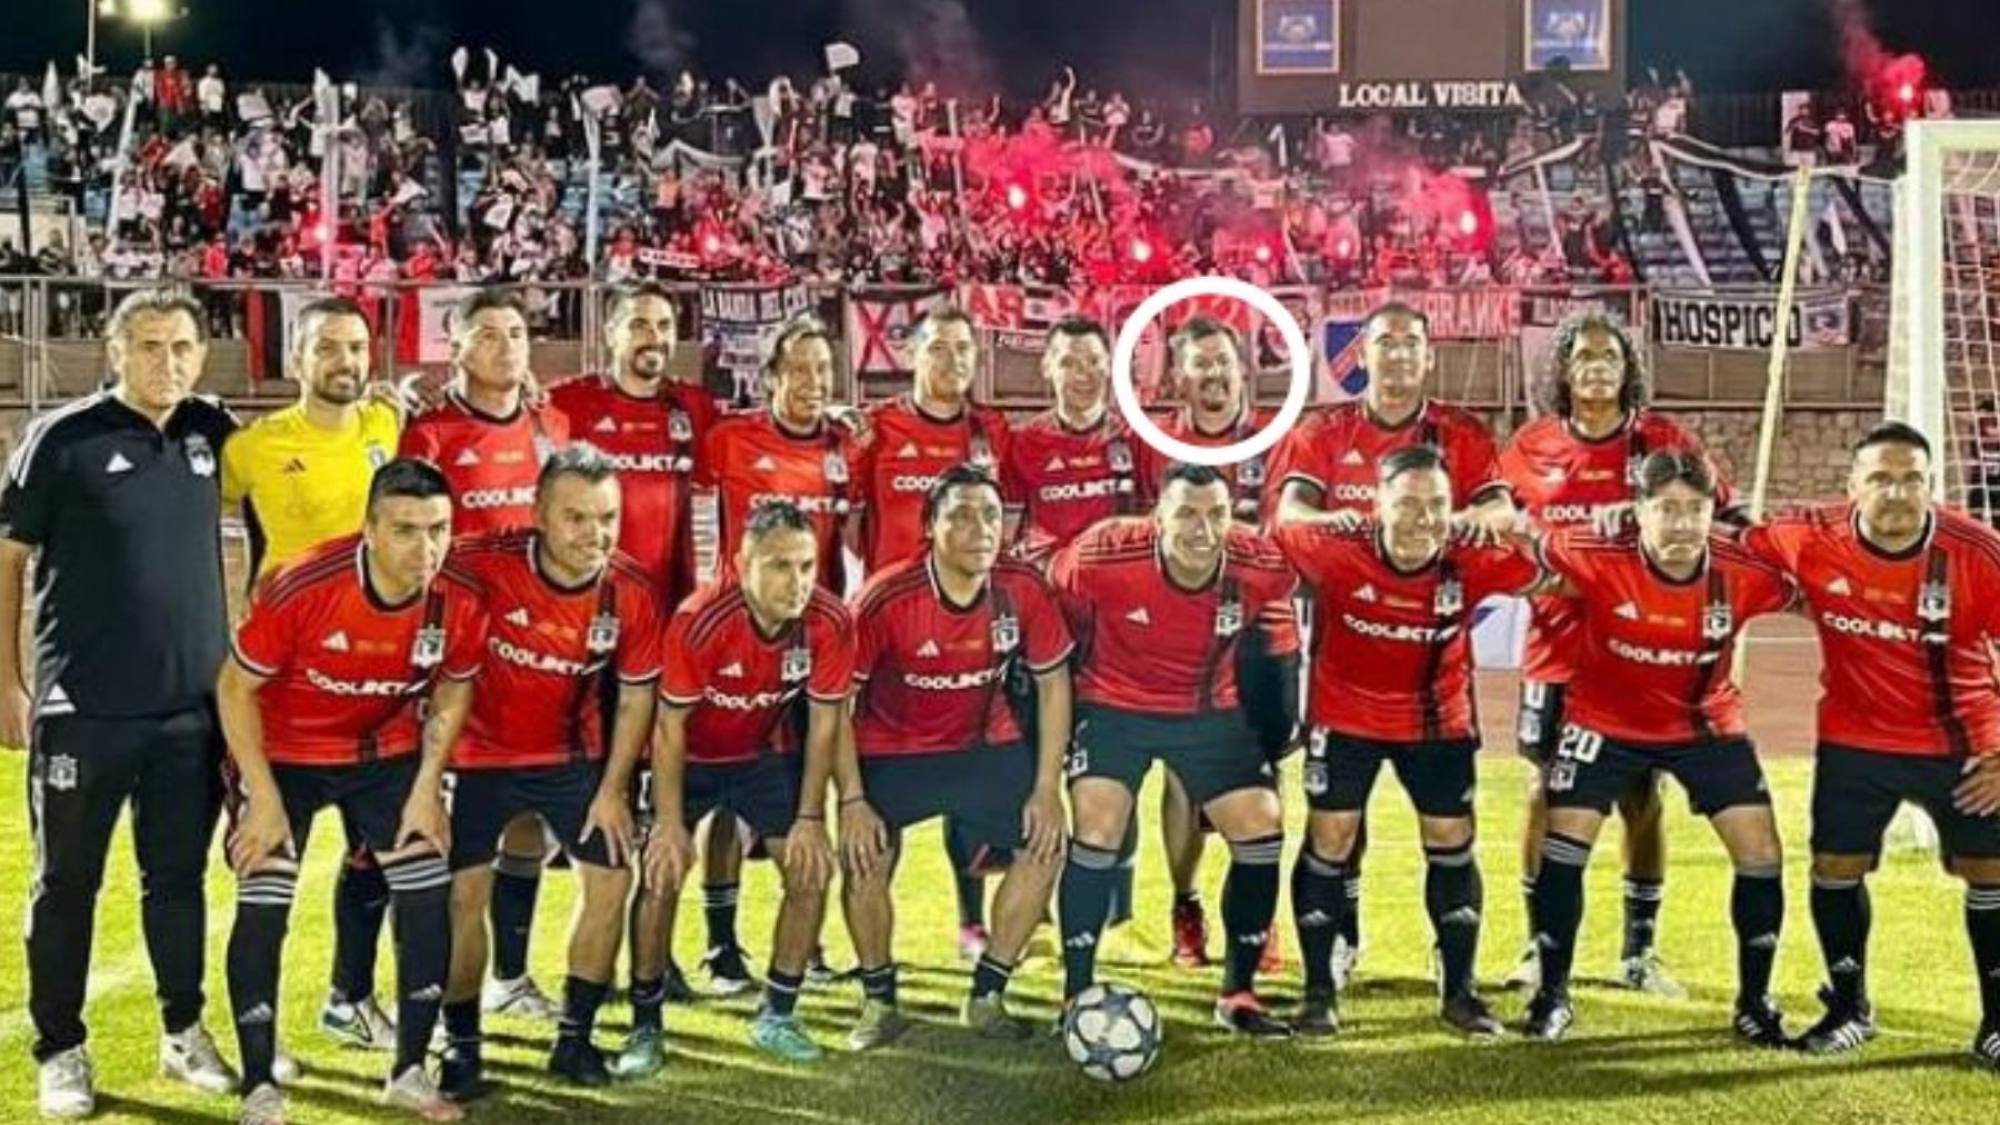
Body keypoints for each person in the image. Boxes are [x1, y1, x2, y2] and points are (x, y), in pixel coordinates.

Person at [2, 288, 239, 1118]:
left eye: (181, 346)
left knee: (177, 877)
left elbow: (305, 453)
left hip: (190, 709)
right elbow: (8, 559)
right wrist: (8, 681)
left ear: (201, 355)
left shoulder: (214, 431)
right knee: (67, 882)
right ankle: (60, 1048)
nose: (166, 361)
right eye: (148, 345)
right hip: (84, 706)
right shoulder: (61, 439)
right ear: (114, 351)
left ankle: (183, 1030)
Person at [219, 459, 481, 1124]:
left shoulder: (458, 598)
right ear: (368, 529)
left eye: (438, 530)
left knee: (426, 888)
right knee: (265, 898)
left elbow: (455, 686)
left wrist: (428, 784)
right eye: (405, 530)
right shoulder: (304, 584)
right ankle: (259, 1083)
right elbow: (235, 687)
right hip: (284, 754)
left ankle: (410, 1071)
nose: (425, 548)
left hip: (382, 754)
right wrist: (261, 796)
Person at [1268, 300, 1517, 989]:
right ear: (1363, 355)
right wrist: (1349, 526)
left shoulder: (1462, 433)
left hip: (1435, 681)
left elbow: (1504, 512)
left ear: (1428, 357)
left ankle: (1454, 966)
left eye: (1412, 343)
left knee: (1448, 829)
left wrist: (1455, 522)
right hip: (1344, 657)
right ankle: (1339, 941)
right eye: (1386, 343)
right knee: (1337, 824)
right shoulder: (1324, 430)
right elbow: (1289, 513)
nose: (1400, 354)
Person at [1738, 422, 2000, 1067]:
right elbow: (1728, 538)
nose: (1898, 492)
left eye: (1913, 479)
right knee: (1835, 867)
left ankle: (1997, 1023)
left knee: (1989, 873)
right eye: (1881, 478)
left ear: (1932, 487)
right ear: (1853, 486)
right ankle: (1849, 1009)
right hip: (1855, 742)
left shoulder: (1980, 553)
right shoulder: (1809, 535)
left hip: (1966, 744)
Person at [1496, 310, 1736, 997]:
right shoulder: (1529, 447)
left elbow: (1720, 514)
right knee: (1546, 792)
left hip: (1643, 651)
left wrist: (1638, 520)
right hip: (1558, 650)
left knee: (1641, 796)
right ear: (1563, 370)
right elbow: (1501, 523)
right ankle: (1540, 944)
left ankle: (1639, 951)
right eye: (1583, 357)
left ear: (1629, 368)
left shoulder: (1662, 441)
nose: (1597, 368)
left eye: (1610, 356)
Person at [1522, 451, 1796, 1044]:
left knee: (1762, 851)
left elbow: (1820, 587)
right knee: (1563, 845)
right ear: (1638, 511)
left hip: (1705, 725)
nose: (1682, 524)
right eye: (1666, 509)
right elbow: (1518, 555)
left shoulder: (1745, 570)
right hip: (1603, 723)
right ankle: (1551, 995)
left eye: (1695, 509)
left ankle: (1755, 1002)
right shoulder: (1594, 552)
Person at [1272, 444, 1540, 1037]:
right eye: (1408, 504)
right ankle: (1319, 993)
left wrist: (1513, 525)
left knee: (1450, 840)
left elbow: (1553, 567)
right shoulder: (1336, 548)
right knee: (1331, 836)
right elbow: (1276, 532)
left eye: (1438, 505)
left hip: (1437, 723)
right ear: (1378, 504)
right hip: (1345, 717)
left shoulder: (1471, 557)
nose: (1423, 518)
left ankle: (1460, 991)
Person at [433, 446, 664, 1096]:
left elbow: (638, 698)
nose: (595, 534)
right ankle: (462, 1046)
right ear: (537, 514)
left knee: (612, 879)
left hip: (572, 757)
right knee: (461, 896)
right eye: (576, 518)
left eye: (607, 517)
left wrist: (614, 789)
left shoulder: (631, 589)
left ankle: (574, 1040)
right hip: (477, 755)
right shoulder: (477, 561)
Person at [220, 295, 406, 1052]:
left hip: (376, 691)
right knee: (271, 869)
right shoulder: (251, 448)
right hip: (284, 694)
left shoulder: (386, 426)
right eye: (327, 346)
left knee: (377, 862)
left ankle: (349, 998)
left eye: (357, 347)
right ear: (295, 357)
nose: (346, 361)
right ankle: (258, 1041)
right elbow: (187, 506)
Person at [1052, 464, 1297, 1035]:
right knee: (1097, 823)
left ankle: (1238, 994)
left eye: (1217, 514)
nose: (1203, 530)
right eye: (1187, 513)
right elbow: (1057, 616)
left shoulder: (1261, 565)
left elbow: (1282, 636)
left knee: (1261, 820)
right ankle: (1077, 994)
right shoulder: (1101, 554)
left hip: (1209, 711)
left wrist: (1274, 725)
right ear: (1157, 517)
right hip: (1114, 705)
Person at [841, 464, 1071, 1048]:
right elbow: (835, 706)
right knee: (866, 857)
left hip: (982, 743)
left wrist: (1047, 787)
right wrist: (852, 800)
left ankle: (988, 995)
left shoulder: (1022, 587)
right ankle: (878, 1002)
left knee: (1046, 844)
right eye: (962, 516)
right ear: (929, 527)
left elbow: (1053, 685)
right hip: (891, 747)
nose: (981, 529)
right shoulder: (885, 598)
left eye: (991, 515)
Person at [398, 286, 573, 1022]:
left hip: (537, 658)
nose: (508, 347)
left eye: (517, 333)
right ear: (458, 347)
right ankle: (439, 1003)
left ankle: (511, 976)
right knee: (452, 836)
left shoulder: (550, 423)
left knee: (528, 819)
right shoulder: (429, 432)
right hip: (458, 663)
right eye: (491, 334)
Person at [545, 282, 722, 1004]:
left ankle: (656, 957)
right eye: (639, 324)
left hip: (668, 638)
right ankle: (559, 966)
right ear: (611, 333)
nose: (654, 336)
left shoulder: (694, 410)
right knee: (595, 799)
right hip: (589, 640)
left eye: (664, 324)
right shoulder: (569, 405)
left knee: (662, 800)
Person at [633, 500, 852, 1070]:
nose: (797, 582)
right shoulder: (699, 619)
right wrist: (667, 824)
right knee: (661, 875)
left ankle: (777, 1014)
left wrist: (811, 818)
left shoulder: (830, 620)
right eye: (780, 566)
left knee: (811, 870)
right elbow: (669, 727)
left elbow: (826, 723)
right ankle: (645, 1027)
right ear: (742, 563)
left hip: (760, 755)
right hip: (690, 757)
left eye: (806, 566)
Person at [1136, 316, 1301, 973]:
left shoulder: (1278, 438)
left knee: (1268, 775)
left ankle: (1259, 915)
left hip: (1267, 633)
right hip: (1187, 631)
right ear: (1180, 375)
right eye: (1199, 363)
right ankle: (1187, 905)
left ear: (1242, 371)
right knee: (1184, 772)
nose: (1213, 374)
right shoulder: (1154, 442)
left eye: (1222, 362)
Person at [849, 306, 1013, 961]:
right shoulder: (875, 430)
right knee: (882, 795)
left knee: (967, 781)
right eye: (939, 348)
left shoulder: (991, 431)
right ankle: (873, 956)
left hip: (970, 634)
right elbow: (847, 517)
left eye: (964, 349)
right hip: (890, 640)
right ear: (911, 355)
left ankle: (973, 924)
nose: (953, 361)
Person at [996, 316, 1156, 963]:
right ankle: (1030, 916)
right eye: (1070, 361)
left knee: (1117, 771)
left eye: (1094, 360)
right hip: (1045, 635)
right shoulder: (1025, 445)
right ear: (1049, 368)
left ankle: (1120, 919)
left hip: (1117, 639)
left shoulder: (1134, 440)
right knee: (1032, 770)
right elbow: (1006, 535)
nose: (1083, 373)